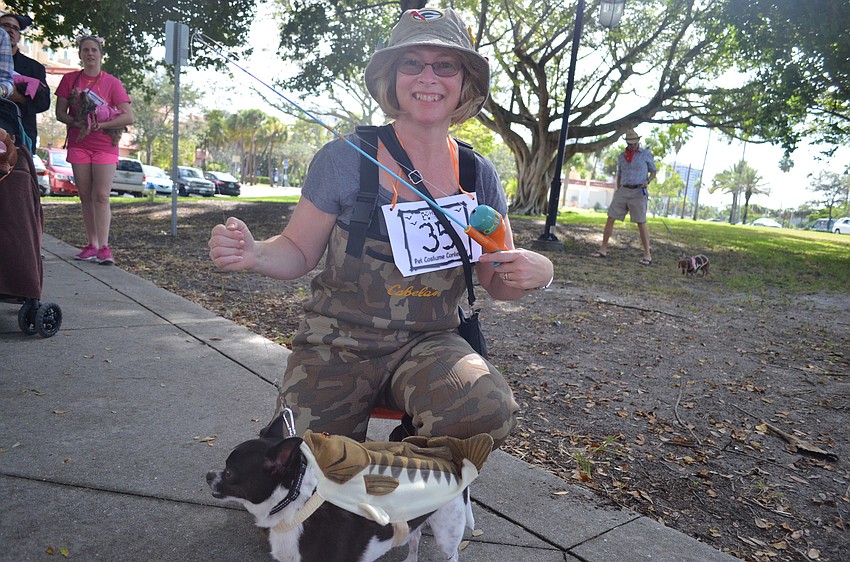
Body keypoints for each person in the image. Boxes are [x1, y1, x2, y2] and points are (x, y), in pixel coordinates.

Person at [208, 8, 554, 449]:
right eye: (412, 62)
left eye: (444, 64)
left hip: (432, 345)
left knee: (485, 407)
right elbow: (297, 249)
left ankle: (401, 486)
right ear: (391, 77)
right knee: (304, 469)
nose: (428, 76)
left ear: (465, 80)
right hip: (337, 344)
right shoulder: (344, 158)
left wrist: (537, 272)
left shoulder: (477, 172)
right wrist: (254, 254)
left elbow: (496, 280)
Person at [55, 34, 134, 265]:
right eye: (85, 50)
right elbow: (60, 113)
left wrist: (103, 125)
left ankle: (104, 247)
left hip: (105, 146)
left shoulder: (112, 82)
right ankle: (92, 244)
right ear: (80, 54)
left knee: (101, 196)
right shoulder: (70, 80)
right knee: (85, 196)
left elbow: (129, 116)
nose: (90, 54)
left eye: (94, 50)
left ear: (101, 54)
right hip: (80, 143)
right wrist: (79, 123)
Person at [592, 128, 657, 265]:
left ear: (638, 141)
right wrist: (618, 188)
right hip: (623, 190)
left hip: (639, 191)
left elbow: (653, 171)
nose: (632, 145)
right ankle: (603, 249)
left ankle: (647, 255)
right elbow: (619, 174)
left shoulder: (646, 155)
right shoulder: (621, 157)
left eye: (634, 142)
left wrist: (648, 181)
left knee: (641, 222)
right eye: (629, 143)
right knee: (610, 217)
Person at [0, 12, 50, 147]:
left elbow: (45, 103)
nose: (10, 30)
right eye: (5, 26)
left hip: (21, 134)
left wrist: (18, 97)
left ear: (19, 36)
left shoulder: (34, 68)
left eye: (15, 28)